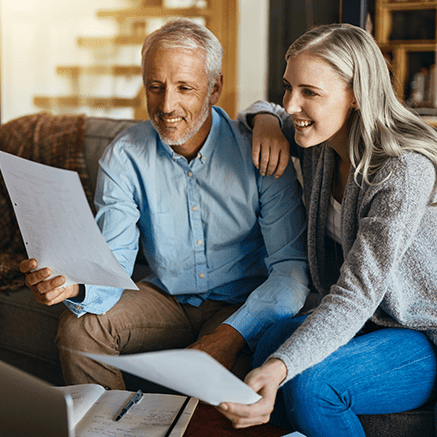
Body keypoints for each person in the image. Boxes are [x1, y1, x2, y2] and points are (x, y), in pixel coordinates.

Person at [19, 18, 310, 390]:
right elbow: (114, 260)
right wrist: (74, 284)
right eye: (155, 87)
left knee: (232, 383)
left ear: (215, 87)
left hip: (240, 302)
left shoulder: (261, 152)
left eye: (184, 88)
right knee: (80, 330)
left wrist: (229, 335)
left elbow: (291, 270)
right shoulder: (124, 156)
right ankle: (115, 430)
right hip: (165, 298)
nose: (167, 105)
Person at [217, 23, 437, 437]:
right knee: (270, 340)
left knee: (312, 383)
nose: (292, 104)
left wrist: (284, 368)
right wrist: (265, 119)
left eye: (309, 93)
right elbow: (265, 109)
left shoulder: (403, 171)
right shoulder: (320, 142)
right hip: (372, 321)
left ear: (355, 96)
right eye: (288, 88)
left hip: (420, 332)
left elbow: (357, 292)